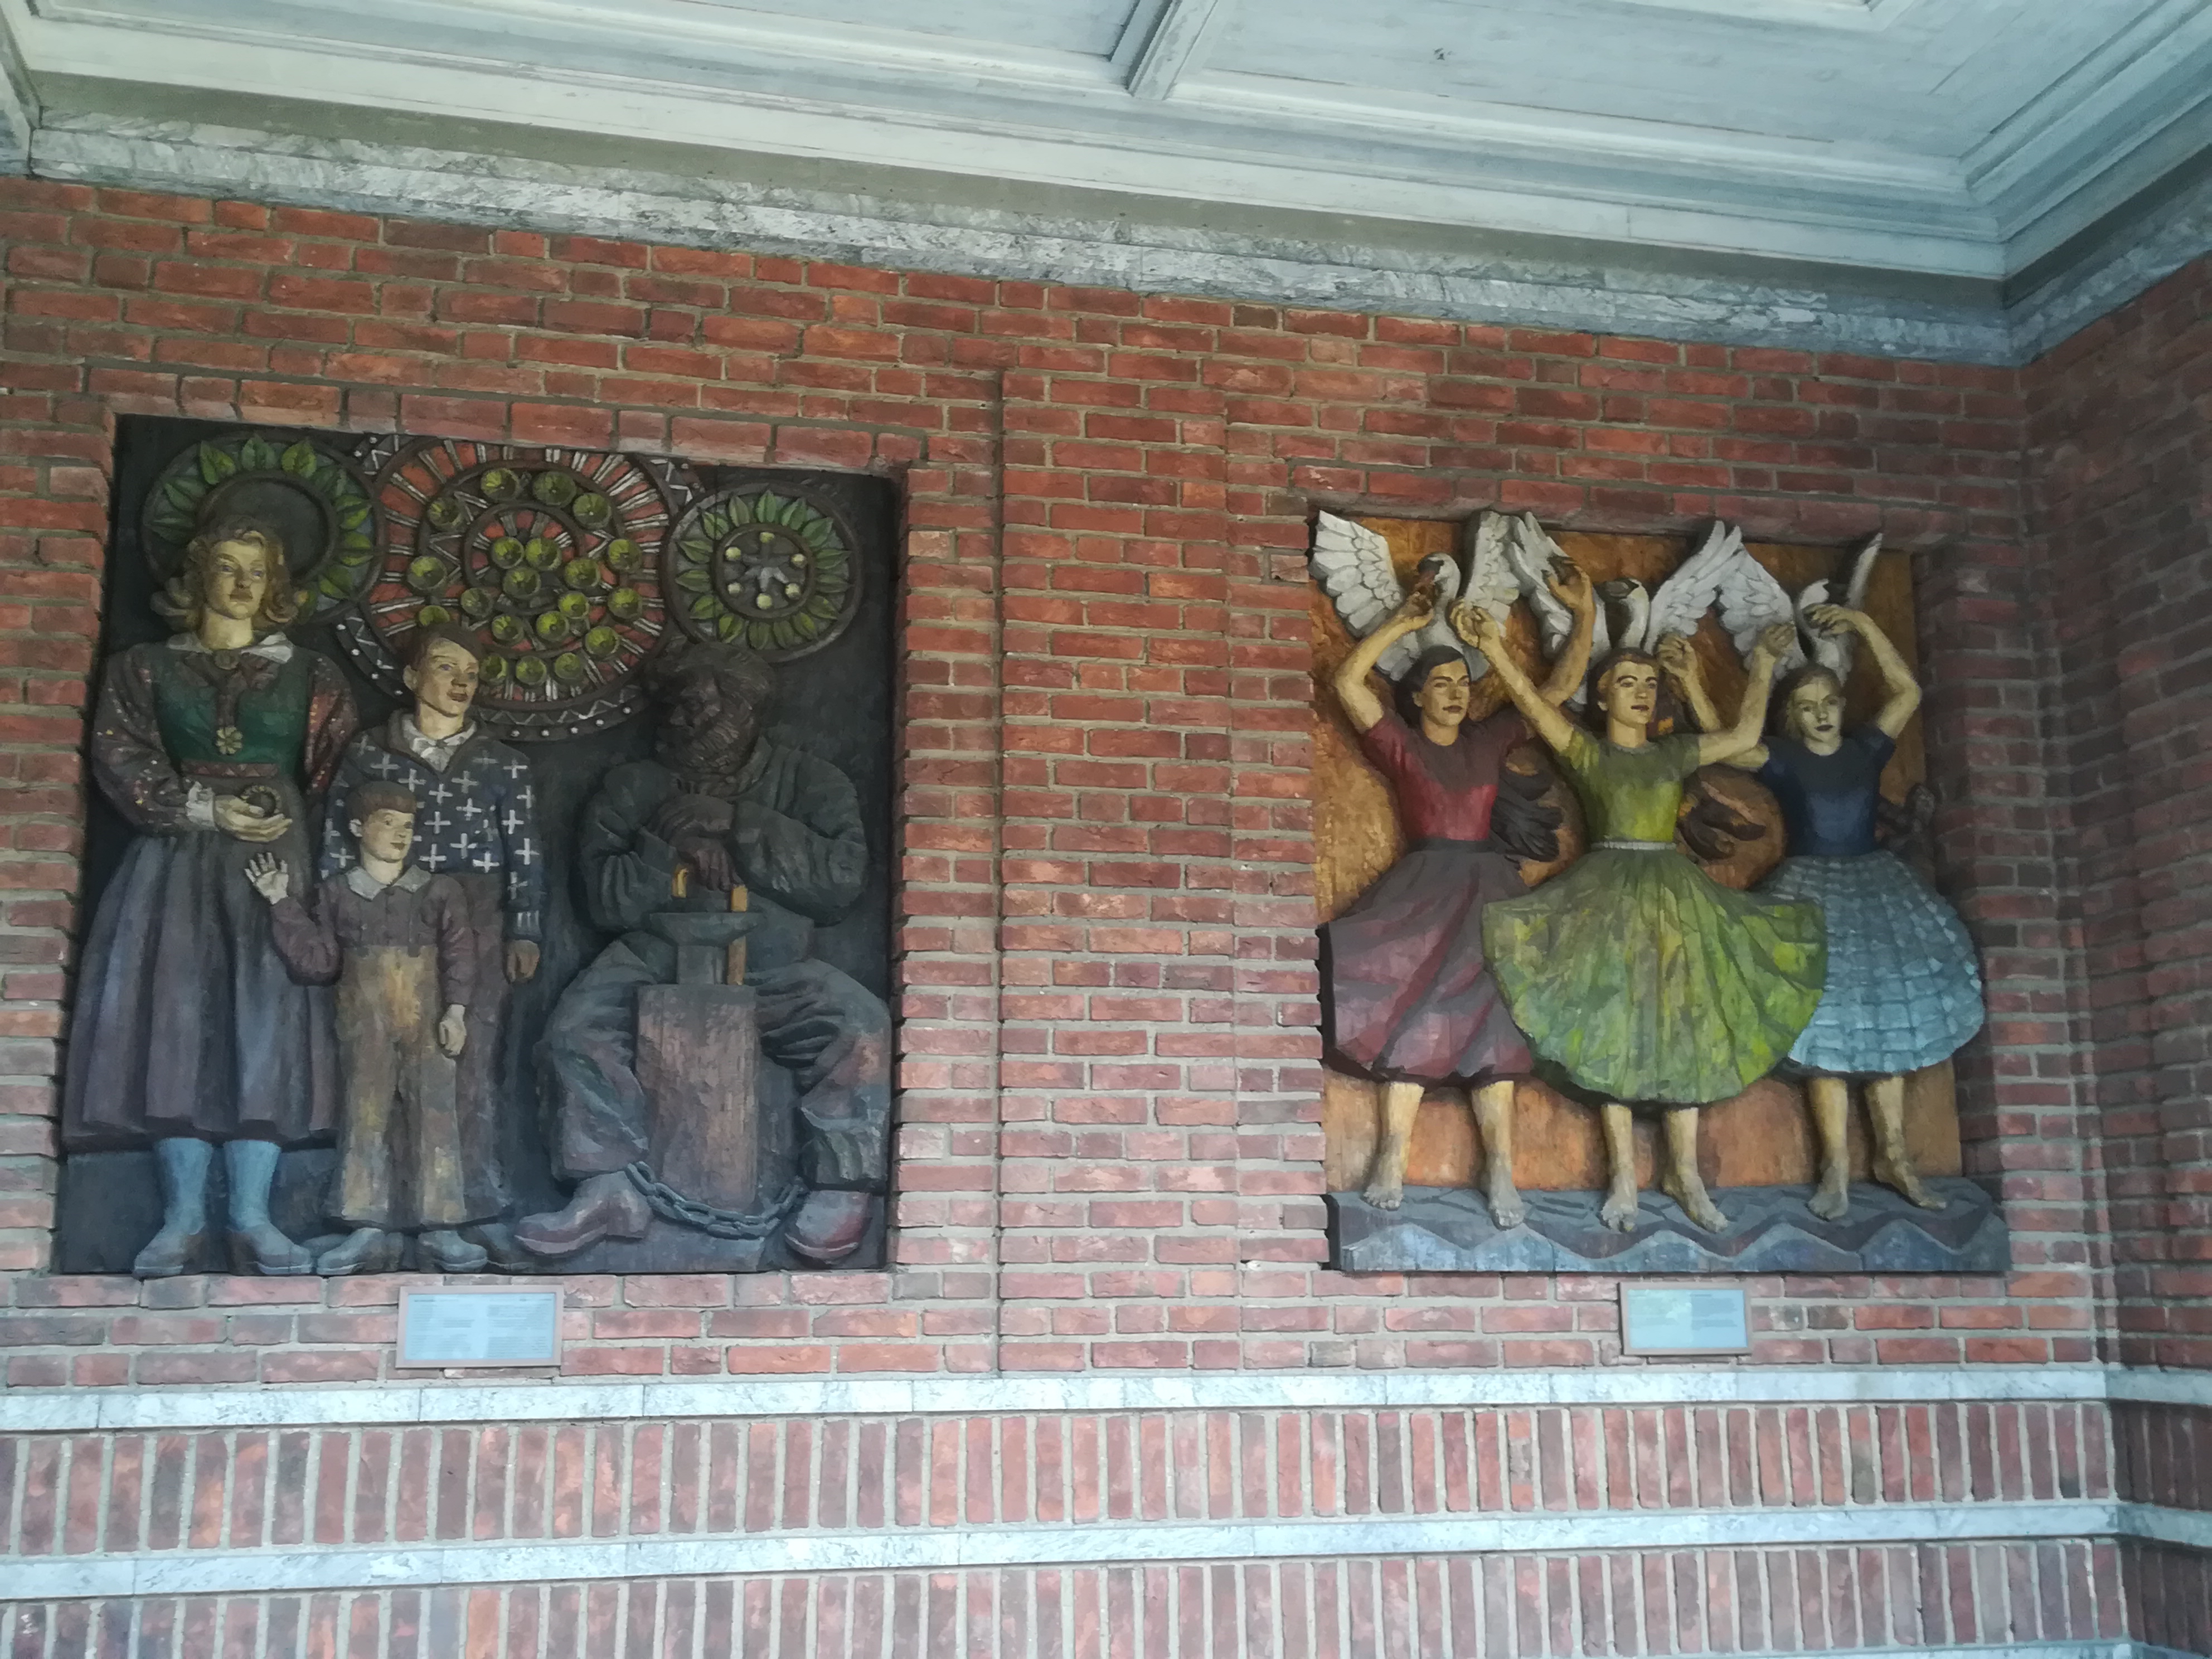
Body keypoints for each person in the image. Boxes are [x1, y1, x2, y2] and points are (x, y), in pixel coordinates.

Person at [518, 642, 891, 1265]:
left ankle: (841, 1184)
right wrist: (666, 846)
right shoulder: (631, 787)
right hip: (650, 959)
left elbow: (839, 883)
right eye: (673, 707)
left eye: (699, 706)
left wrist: (737, 823)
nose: (681, 720)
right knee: (574, 1032)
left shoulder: (811, 782)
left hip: (773, 961)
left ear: (742, 710)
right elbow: (606, 904)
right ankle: (607, 1186)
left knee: (860, 1026)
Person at [64, 519, 357, 1277]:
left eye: (256, 571)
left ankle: (253, 1216)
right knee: (177, 1023)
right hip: (178, 860)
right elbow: (121, 754)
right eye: (226, 567)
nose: (241, 584)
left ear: (275, 584)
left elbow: (335, 778)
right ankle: (183, 1217)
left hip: (272, 860)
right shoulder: (146, 667)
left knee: (266, 1025)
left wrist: (298, 844)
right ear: (197, 576)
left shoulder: (312, 676)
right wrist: (202, 807)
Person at [1474, 614, 1826, 1233]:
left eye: (1648, 683)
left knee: (1687, 1023)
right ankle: (1621, 1178)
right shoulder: (1587, 750)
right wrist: (1491, 648)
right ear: (1601, 697)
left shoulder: (1673, 752)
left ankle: (1684, 1174)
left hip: (1675, 897)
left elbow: (1745, 733)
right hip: (1606, 894)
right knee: (1610, 1021)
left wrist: (1766, 663)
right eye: (1626, 682)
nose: (1641, 692)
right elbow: (1531, 704)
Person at [1675, 605, 1982, 1220]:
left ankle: (1894, 1156)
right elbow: (1722, 739)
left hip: (1875, 888)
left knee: (1887, 1019)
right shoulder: (1785, 758)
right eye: (1807, 706)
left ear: (1842, 707)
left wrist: (1863, 624)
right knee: (1824, 1025)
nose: (1821, 714)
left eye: (1830, 702)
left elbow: (1907, 691)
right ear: (1792, 715)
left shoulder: (1866, 749)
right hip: (1810, 890)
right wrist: (1723, 674)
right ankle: (1834, 1166)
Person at [1323, 564, 1595, 1224]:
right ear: (1416, 695)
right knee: (1409, 1012)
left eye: (1461, 683)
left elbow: (1557, 690)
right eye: (1439, 683)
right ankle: (1390, 1159)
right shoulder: (1400, 745)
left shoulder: (1488, 738)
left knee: (1496, 1025)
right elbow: (1347, 683)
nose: (1453, 692)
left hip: (1488, 890)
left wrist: (1583, 616)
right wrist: (1401, 623)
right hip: (1424, 889)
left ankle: (1500, 1171)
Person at [319, 624, 541, 1230]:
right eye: (446, 667)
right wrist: (333, 918)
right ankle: (381, 1210)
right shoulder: (369, 753)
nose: (461, 682)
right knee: (378, 1055)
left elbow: (525, 850)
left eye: (471, 673)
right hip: (388, 909)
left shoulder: (503, 764)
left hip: (479, 909)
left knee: (469, 1051)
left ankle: (470, 1202)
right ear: (412, 677)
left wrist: (526, 927)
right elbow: (338, 837)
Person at [249, 783, 484, 1273]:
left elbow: (460, 953)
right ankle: (365, 1227)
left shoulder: (439, 891)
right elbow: (318, 963)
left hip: (428, 1018)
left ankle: (442, 1227)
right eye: (388, 823)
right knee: (364, 1117)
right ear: (358, 828)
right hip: (363, 1021)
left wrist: (456, 1012)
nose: (400, 835)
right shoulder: (337, 894)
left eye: (408, 826)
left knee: (436, 1114)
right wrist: (280, 903)